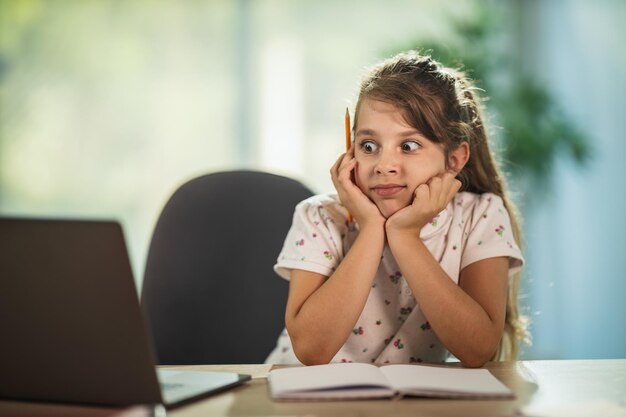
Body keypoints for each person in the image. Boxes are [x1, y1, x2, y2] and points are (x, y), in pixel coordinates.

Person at [265, 51, 529, 368]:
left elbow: (478, 349)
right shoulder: (319, 217)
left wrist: (405, 235)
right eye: (368, 146)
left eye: (408, 146)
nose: (384, 165)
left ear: (455, 159)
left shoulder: (480, 215)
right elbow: (310, 350)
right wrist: (371, 229)